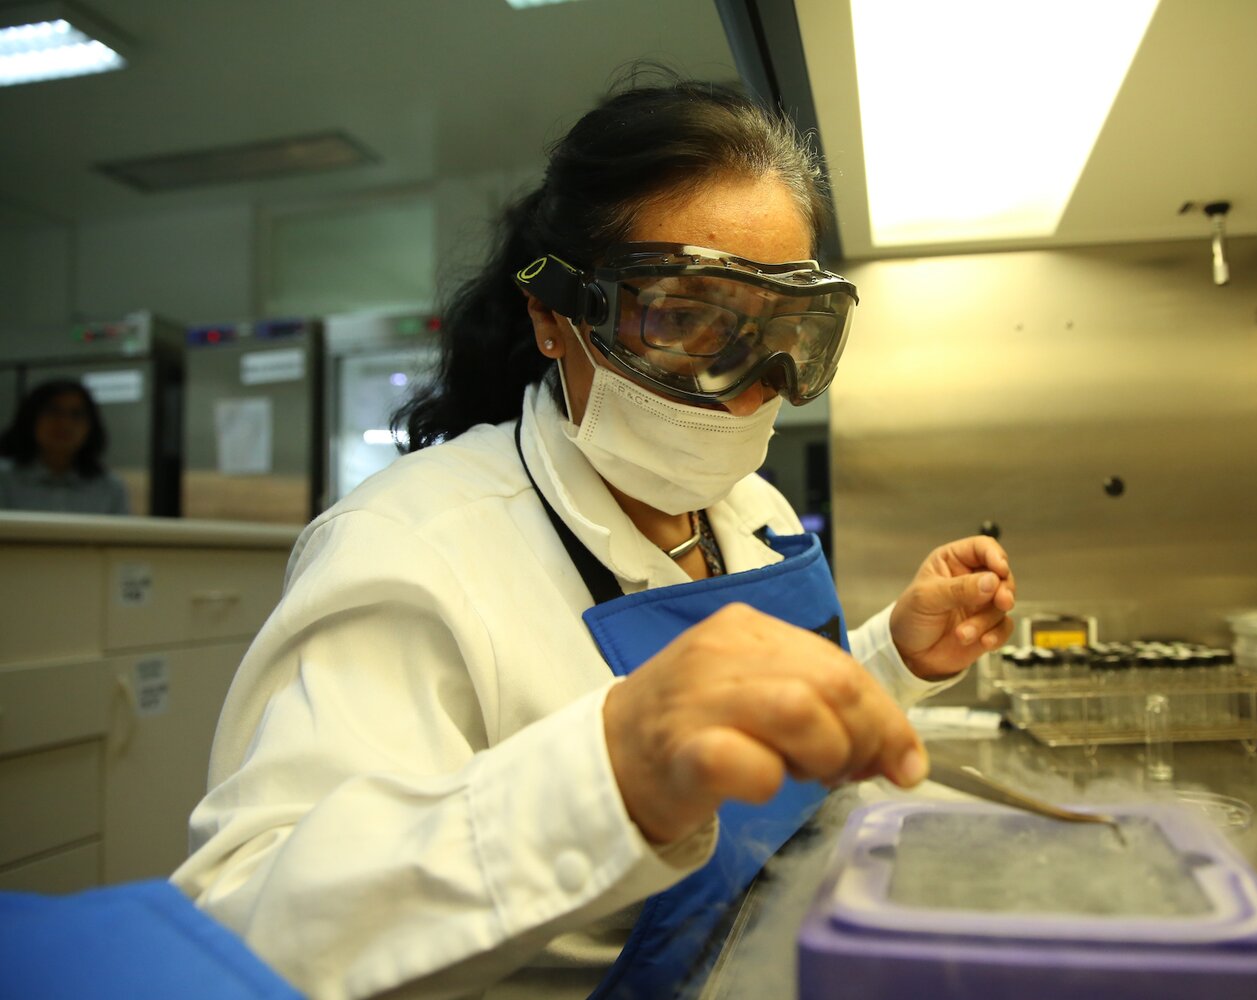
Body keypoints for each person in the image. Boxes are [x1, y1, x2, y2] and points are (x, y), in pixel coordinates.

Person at [173, 77, 1016, 1000]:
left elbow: (761, 731)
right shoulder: (409, 547)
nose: (751, 386)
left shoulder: (753, 512)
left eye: (788, 331)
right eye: (688, 317)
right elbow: (244, 930)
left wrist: (888, 658)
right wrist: (606, 774)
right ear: (553, 316)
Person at [0, 378, 130, 515]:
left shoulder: (110, 488)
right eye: (53, 411)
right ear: (30, 418)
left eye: (76, 414)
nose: (64, 424)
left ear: (91, 426)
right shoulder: (4, 480)